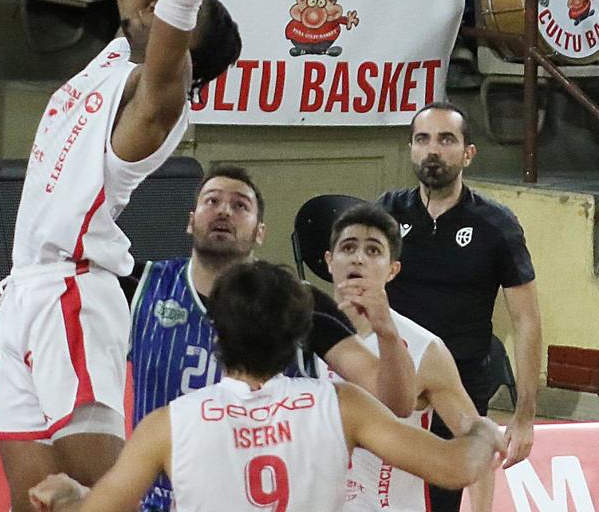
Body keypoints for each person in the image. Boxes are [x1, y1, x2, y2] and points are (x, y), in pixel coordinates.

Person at [0, 0, 302, 512]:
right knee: (32, 500)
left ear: (186, 50)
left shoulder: (158, 101)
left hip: (74, 288)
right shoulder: (118, 48)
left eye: (176, 13)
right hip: (26, 290)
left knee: (108, 496)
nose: (155, 0)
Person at [29, 261, 505, 512]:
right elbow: (455, 467)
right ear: (301, 335)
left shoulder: (168, 425)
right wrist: (482, 431)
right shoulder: (342, 406)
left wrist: (69, 496)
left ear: (216, 335)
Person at [128, 164, 418, 512]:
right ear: (191, 220)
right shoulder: (139, 286)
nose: (223, 210)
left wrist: (386, 332)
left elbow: (395, 401)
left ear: (260, 231)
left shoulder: (298, 302)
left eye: (240, 205)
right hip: (160, 500)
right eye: (212, 201)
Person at [379, 101, 543, 512]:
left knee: (442, 501)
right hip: (394, 383)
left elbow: (526, 321)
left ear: (468, 153)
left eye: (446, 140)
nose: (433, 150)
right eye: (423, 139)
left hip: (462, 384)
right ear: (412, 149)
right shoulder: (385, 213)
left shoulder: (496, 225)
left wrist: (524, 415)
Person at [324, 202, 494, 512]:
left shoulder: (425, 349)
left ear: (392, 270)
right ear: (329, 261)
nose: (359, 258)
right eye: (348, 248)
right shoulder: (296, 334)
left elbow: (476, 442)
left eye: (373, 251)